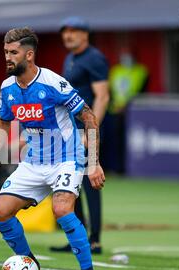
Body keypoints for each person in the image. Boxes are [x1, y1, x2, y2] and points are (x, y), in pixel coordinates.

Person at [0, 27, 105, 270]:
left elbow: (89, 116)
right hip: (35, 161)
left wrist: (93, 162)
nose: (8, 58)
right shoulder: (8, 87)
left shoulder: (52, 83)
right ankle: (29, 263)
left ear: (29, 54)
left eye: (13, 53)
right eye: (5, 52)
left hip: (66, 158)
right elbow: (3, 122)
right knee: (0, 212)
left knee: (61, 210)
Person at [50, 16, 109, 254]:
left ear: (85, 34)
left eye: (73, 31)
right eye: (65, 31)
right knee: (72, 183)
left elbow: (102, 96)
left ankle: (94, 240)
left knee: (90, 182)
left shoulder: (94, 58)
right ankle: (79, 238)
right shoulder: (70, 58)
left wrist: (90, 132)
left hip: (86, 131)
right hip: (69, 132)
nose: (68, 36)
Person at [108, 47, 148, 173]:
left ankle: (129, 169)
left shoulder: (141, 71)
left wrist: (127, 106)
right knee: (115, 142)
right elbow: (109, 91)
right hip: (115, 111)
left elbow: (142, 92)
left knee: (132, 142)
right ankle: (116, 169)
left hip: (133, 113)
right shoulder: (115, 71)